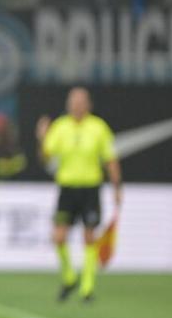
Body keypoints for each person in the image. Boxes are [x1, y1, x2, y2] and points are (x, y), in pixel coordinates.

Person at [36, 87, 122, 303]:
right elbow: (46, 159)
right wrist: (42, 139)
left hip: (90, 189)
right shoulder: (60, 127)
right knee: (58, 236)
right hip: (67, 189)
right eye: (72, 101)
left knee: (89, 236)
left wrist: (117, 187)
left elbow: (110, 159)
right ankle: (69, 276)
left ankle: (87, 287)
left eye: (80, 101)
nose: (75, 105)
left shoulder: (98, 128)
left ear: (88, 104)